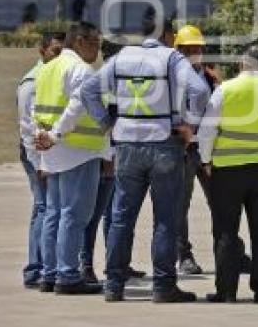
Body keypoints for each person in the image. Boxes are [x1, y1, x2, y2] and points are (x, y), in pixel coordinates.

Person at [81, 18, 210, 303]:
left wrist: (105, 122)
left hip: (127, 144)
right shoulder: (171, 58)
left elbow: (88, 91)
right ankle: (163, 286)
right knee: (164, 219)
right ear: (166, 35)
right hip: (164, 143)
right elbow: (199, 91)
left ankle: (113, 284)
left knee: (121, 218)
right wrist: (190, 125)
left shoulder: (121, 57)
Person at [197, 45, 258, 304]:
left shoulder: (225, 90)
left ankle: (226, 291)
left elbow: (206, 132)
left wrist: (205, 161)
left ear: (243, 63)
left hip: (228, 171)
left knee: (226, 230)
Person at [33, 22, 108, 295]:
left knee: (54, 213)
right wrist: (55, 135)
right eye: (94, 44)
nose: (97, 51)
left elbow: (36, 108)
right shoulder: (81, 69)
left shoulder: (48, 67)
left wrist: (43, 137)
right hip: (78, 150)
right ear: (78, 41)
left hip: (54, 151)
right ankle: (67, 275)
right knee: (74, 216)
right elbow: (78, 105)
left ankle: (49, 273)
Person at [173, 24, 253, 276]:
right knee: (180, 206)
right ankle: (184, 256)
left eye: (198, 47)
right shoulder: (172, 77)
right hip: (183, 150)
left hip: (208, 149)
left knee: (221, 202)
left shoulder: (209, 77)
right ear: (178, 50)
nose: (195, 52)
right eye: (189, 48)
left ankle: (231, 252)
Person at [79, 36, 147, 285]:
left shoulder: (113, 81)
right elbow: (109, 122)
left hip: (115, 157)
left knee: (115, 216)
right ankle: (86, 264)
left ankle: (116, 263)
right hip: (104, 159)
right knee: (94, 217)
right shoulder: (106, 84)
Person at [18, 32, 65, 288]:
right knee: (44, 208)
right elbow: (28, 129)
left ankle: (50, 265)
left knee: (52, 209)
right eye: (55, 51)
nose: (60, 57)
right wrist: (39, 165)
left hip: (53, 155)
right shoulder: (33, 82)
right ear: (42, 51)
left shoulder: (56, 78)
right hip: (36, 156)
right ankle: (35, 269)